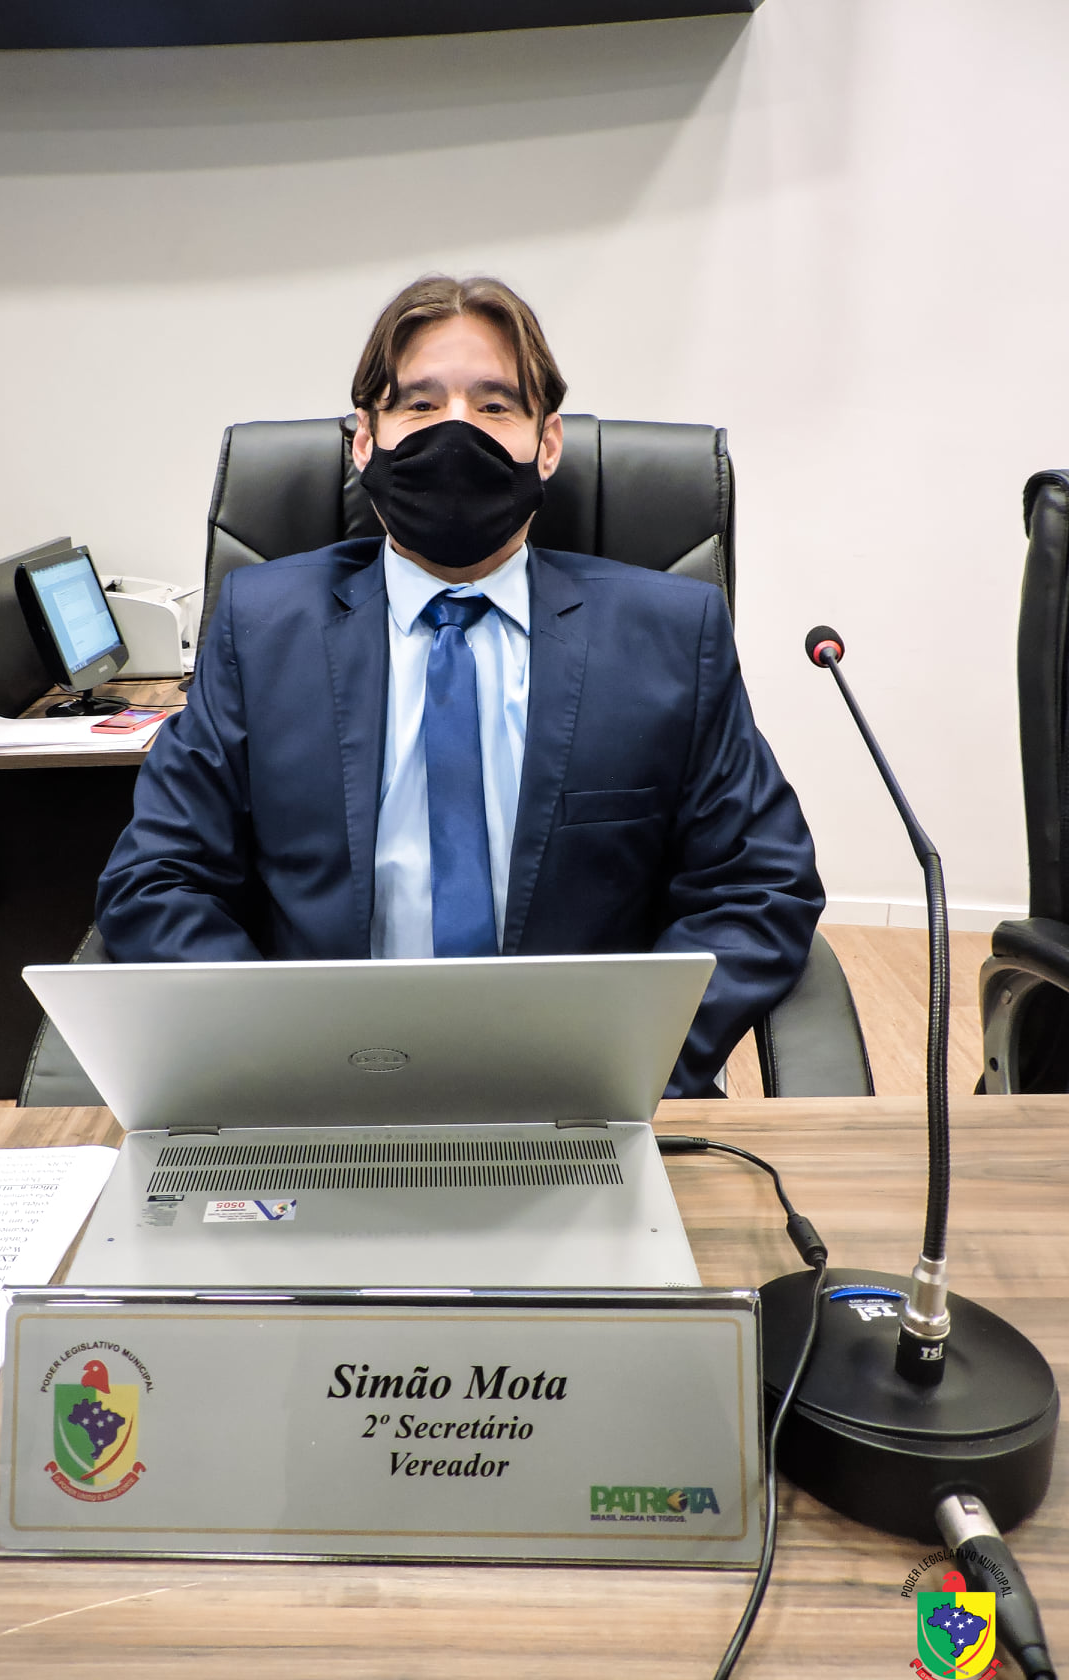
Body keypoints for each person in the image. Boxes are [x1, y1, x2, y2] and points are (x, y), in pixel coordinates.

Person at [95, 275, 823, 1096]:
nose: (456, 432)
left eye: (494, 405)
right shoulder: (260, 629)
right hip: (320, 1094)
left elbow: (760, 886)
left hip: (589, 1095)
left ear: (548, 445)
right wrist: (281, 1056)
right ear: (363, 442)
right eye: (419, 404)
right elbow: (157, 879)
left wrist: (638, 1059)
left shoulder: (670, 636)